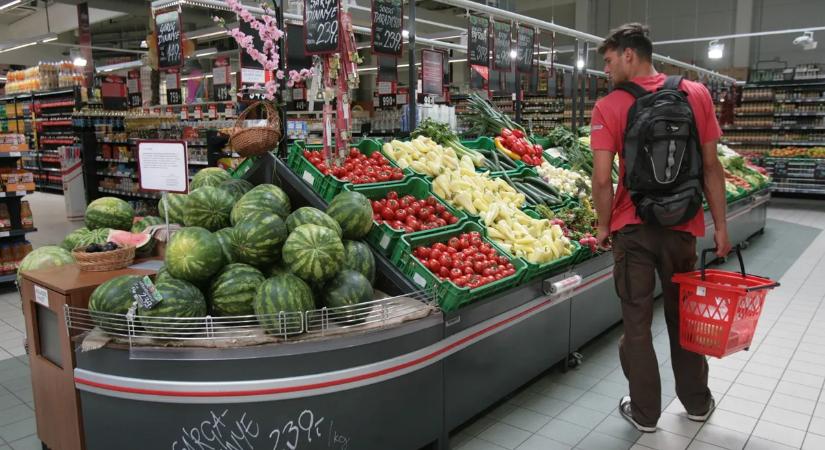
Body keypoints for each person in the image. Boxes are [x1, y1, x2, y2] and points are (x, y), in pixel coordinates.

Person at [589, 23, 732, 432]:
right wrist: (720, 227)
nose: (608, 68)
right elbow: (710, 166)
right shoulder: (696, 93)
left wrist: (602, 226)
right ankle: (698, 403)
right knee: (683, 317)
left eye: (610, 59)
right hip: (683, 225)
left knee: (636, 323)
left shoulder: (610, 106)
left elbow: (602, 180)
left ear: (629, 54)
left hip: (633, 230)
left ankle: (646, 413)